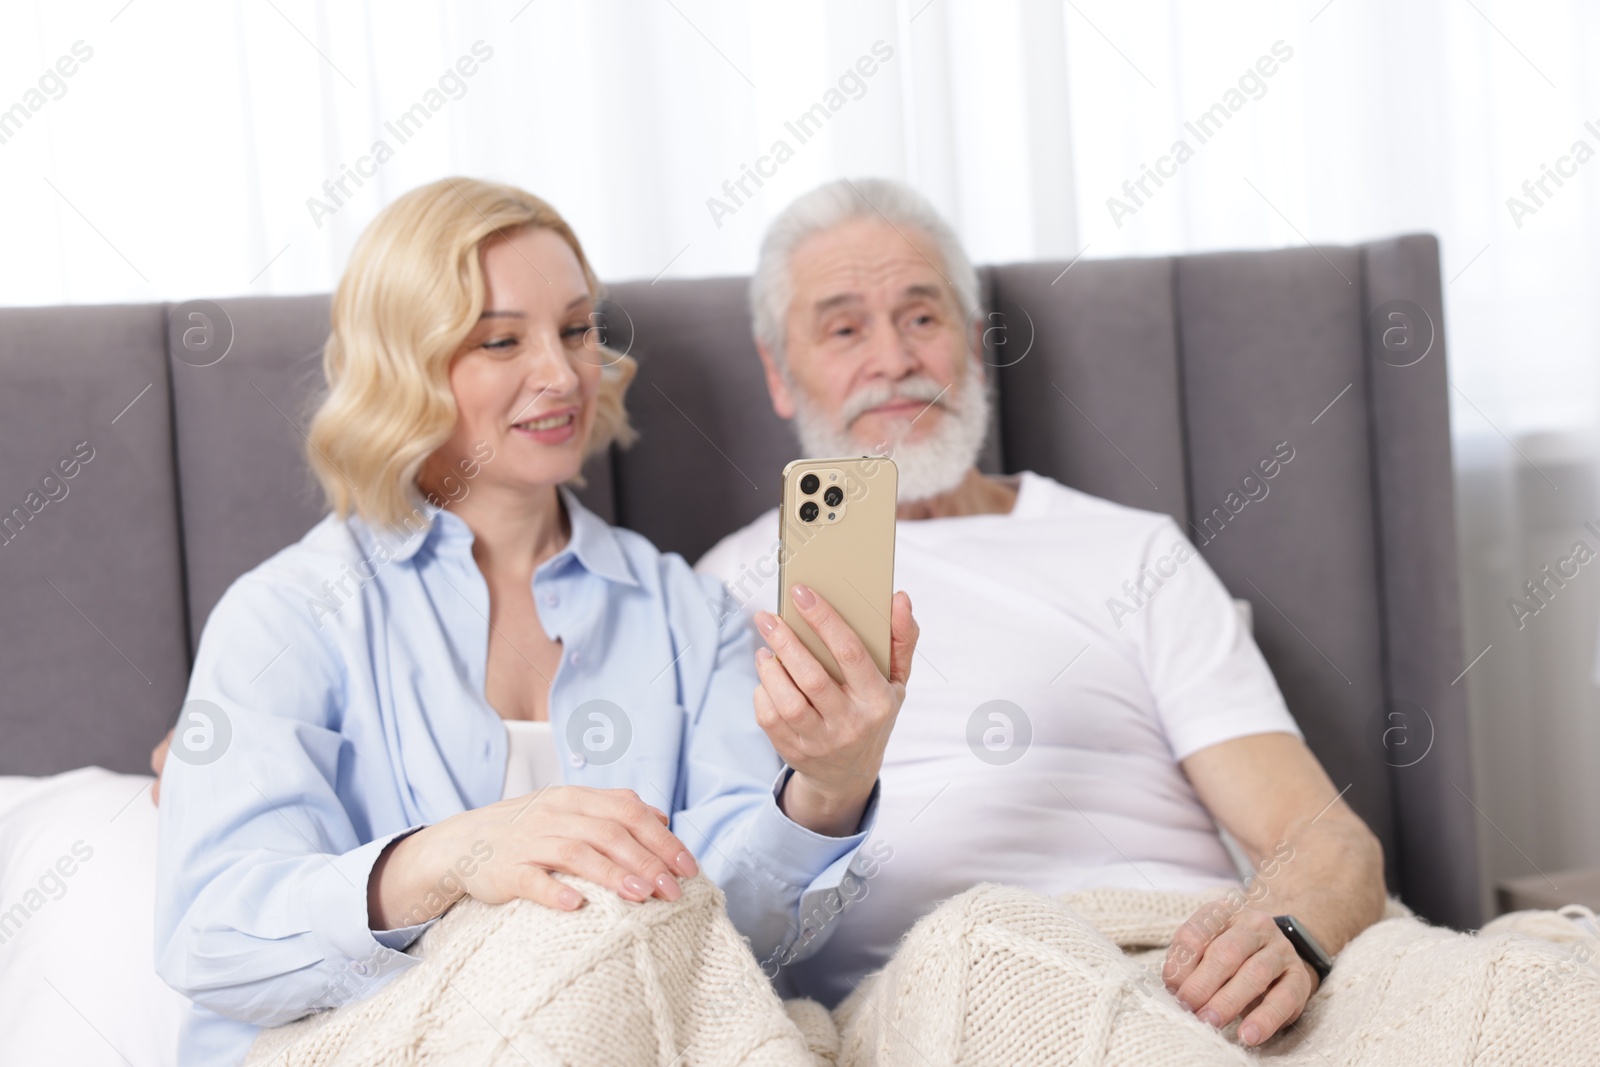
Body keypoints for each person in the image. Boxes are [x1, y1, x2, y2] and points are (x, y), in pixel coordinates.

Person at [153, 177, 918, 1065]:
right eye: (501, 340)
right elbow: (211, 931)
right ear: (404, 363)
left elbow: (737, 938)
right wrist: (453, 855)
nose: (560, 374)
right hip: (380, 1043)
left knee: (981, 941)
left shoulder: (686, 611)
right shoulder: (287, 612)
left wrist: (828, 786)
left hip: (633, 1029)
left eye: (577, 330)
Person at [695, 178, 1387, 1048]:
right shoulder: (723, 592)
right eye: (842, 328)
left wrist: (1285, 938)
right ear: (778, 373)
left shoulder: (1134, 551)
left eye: (921, 317)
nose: (893, 358)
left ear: (974, 345)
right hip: (959, 984)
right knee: (989, 954)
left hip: (1192, 958)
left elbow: (1327, 844)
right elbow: (730, 924)